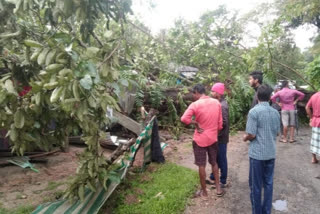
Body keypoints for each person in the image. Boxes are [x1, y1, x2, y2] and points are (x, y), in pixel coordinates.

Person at [181, 84, 224, 199]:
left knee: (201, 165)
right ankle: (218, 188)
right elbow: (220, 125)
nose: (193, 96)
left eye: (193, 94)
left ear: (196, 92)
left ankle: (204, 191)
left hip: (200, 139)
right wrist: (212, 129)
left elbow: (184, 119)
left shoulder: (195, 105)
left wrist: (195, 123)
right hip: (213, 138)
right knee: (214, 162)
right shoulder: (216, 103)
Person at [243, 84, 280, 214]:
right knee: (268, 184)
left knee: (256, 186)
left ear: (257, 96)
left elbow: (251, 134)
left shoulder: (254, 112)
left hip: (257, 155)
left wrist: (245, 138)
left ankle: (257, 211)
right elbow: (276, 133)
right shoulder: (275, 112)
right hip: (270, 153)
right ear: (270, 97)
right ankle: (266, 211)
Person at [209, 83, 230, 188]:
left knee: (221, 158)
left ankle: (223, 180)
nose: (211, 93)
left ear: (218, 93)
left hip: (221, 138)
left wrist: (216, 135)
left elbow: (224, 123)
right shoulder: (218, 103)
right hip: (217, 136)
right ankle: (213, 176)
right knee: (216, 158)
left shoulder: (222, 106)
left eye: (213, 91)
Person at [305, 91, 320, 164]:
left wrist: (311, 118)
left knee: (315, 139)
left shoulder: (314, 96)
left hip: (315, 120)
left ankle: (314, 158)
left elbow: (307, 107)